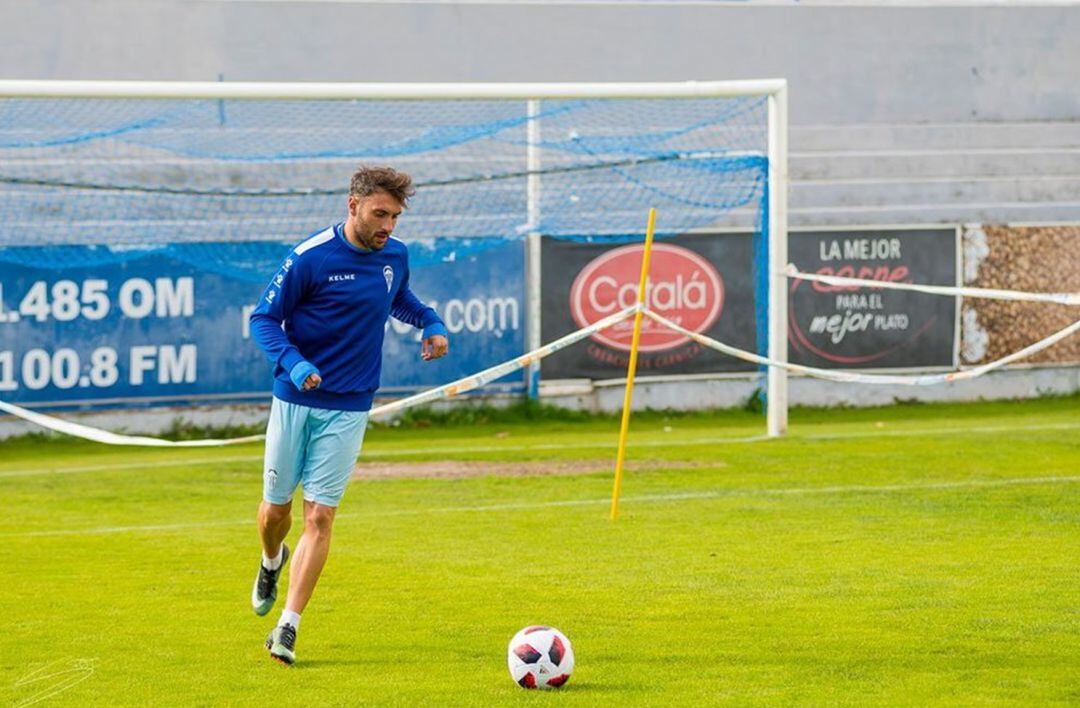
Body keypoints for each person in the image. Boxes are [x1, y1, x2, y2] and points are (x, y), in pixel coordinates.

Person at [248, 165, 449, 666]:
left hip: (351, 405)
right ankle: (272, 559)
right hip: (295, 400)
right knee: (277, 513)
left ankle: (287, 627)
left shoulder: (394, 255)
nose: (389, 226)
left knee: (320, 514)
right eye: (380, 214)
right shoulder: (309, 258)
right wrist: (294, 363)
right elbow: (263, 319)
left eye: (396, 216)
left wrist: (430, 321)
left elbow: (398, 298)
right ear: (353, 205)